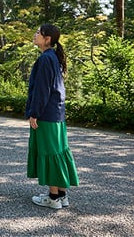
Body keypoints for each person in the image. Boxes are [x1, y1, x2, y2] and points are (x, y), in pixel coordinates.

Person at [26, 24, 79, 209]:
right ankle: (62, 195)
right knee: (58, 152)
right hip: (56, 113)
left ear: (47, 39)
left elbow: (42, 90)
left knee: (50, 153)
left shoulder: (46, 59)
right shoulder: (52, 58)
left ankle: (53, 198)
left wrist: (34, 113)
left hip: (46, 115)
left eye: (38, 33)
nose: (35, 35)